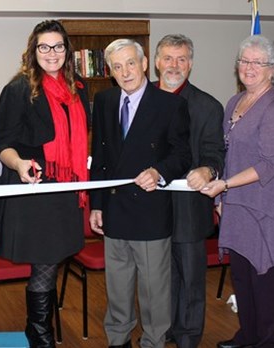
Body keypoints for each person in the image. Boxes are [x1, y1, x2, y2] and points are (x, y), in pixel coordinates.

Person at [89, 38, 191, 348]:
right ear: (111, 72)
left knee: (154, 291)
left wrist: (159, 172)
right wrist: (96, 205)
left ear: (145, 64)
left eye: (131, 63)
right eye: (117, 67)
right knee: (117, 288)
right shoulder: (105, 101)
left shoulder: (170, 104)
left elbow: (182, 155)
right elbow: (100, 157)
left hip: (150, 211)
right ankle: (118, 340)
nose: (125, 72)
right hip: (115, 209)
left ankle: (153, 341)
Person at [201, 35, 274, 348]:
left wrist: (226, 186)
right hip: (238, 202)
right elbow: (227, 154)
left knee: (264, 278)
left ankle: (268, 340)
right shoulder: (235, 102)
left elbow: (270, 164)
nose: (249, 67)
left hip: (266, 205)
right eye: (244, 60)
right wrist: (221, 198)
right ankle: (248, 335)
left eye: (258, 62)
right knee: (242, 275)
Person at [0, 20, 89, 347]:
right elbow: (4, 144)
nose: (52, 53)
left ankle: (37, 330)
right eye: (44, 47)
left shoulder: (78, 88)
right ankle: (40, 334)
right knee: (45, 264)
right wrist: (19, 163)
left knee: (51, 262)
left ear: (67, 50)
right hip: (35, 192)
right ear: (33, 51)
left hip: (65, 190)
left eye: (58, 46)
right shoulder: (19, 89)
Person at [153, 34, 225, 348]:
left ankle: (188, 338)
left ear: (191, 64)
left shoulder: (208, 106)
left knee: (191, 280)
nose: (174, 65)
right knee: (157, 278)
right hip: (148, 208)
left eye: (182, 59)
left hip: (189, 208)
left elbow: (214, 153)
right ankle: (162, 328)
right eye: (168, 58)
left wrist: (207, 170)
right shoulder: (138, 100)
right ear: (156, 62)